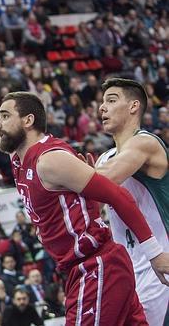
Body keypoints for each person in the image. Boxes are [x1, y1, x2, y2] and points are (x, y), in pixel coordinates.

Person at [0, 49, 169, 325]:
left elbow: (119, 196)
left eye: (4, 116)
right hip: (86, 267)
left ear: (28, 121)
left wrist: (154, 254)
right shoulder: (18, 154)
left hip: (96, 265)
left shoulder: (50, 160)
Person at [88, 78, 169, 325]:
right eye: (102, 102)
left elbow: (105, 179)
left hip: (161, 264)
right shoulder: (104, 158)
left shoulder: (146, 142)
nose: (102, 107)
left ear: (134, 106)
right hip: (128, 267)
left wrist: (61, 170)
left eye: (111, 100)